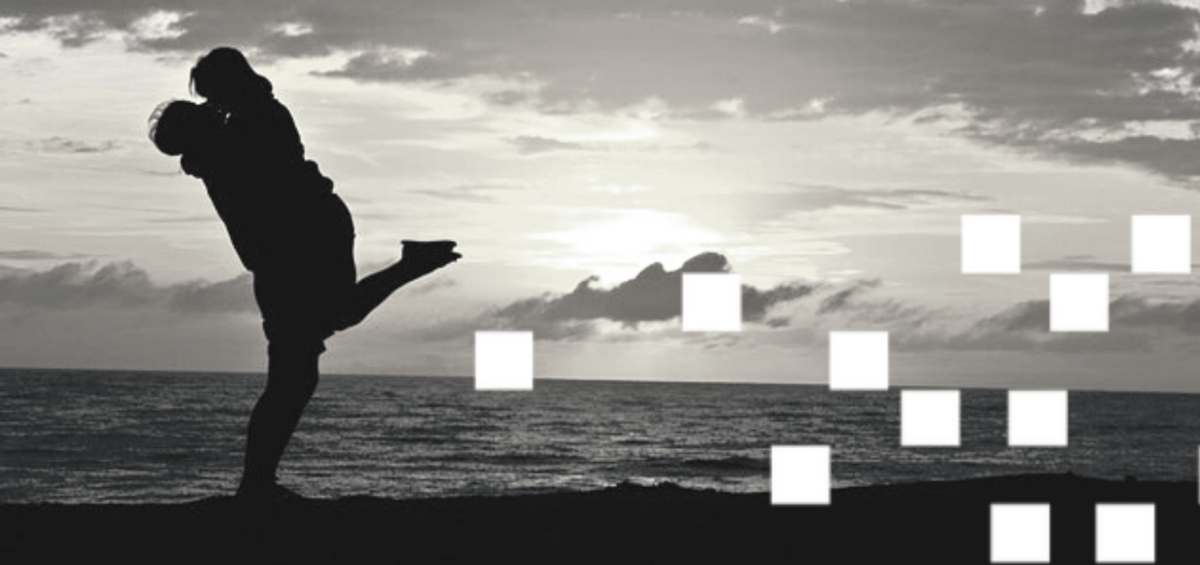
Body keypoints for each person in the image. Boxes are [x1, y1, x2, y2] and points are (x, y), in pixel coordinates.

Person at [149, 47, 460, 502]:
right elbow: (211, 148)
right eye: (205, 100)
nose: (209, 103)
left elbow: (236, 151)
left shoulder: (247, 125)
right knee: (312, 349)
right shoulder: (233, 132)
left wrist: (214, 118)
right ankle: (409, 265)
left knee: (298, 366)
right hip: (296, 246)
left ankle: (256, 484)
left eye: (212, 94)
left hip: (302, 244)